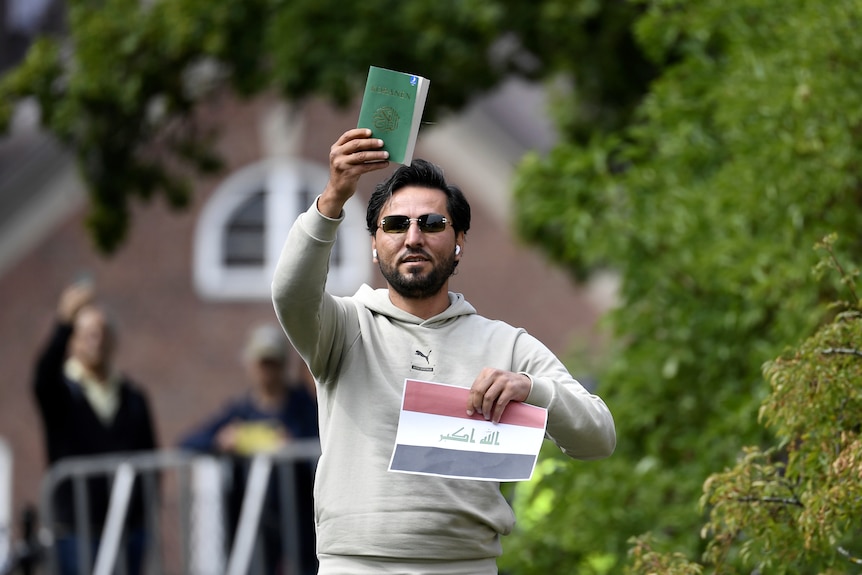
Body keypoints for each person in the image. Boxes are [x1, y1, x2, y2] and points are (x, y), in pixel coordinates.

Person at [270, 128, 617, 574]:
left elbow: (599, 437)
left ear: (459, 243)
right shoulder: (343, 327)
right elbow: (290, 294)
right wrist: (333, 198)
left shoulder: (505, 344)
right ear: (374, 247)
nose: (413, 237)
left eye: (432, 223)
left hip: (467, 564)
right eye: (395, 225)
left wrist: (532, 389)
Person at [32, 282, 158, 575]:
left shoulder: (133, 396)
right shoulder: (61, 392)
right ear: (72, 342)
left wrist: (142, 512)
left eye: (101, 334)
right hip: (77, 531)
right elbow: (41, 378)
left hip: (129, 530)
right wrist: (63, 322)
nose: (95, 341)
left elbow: (150, 457)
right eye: (86, 334)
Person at [179, 323, 319, 575]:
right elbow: (188, 443)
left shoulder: (303, 407)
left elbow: (321, 441)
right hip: (253, 523)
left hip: (301, 523)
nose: (266, 370)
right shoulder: (239, 412)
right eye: (261, 362)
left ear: (283, 365)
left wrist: (292, 443)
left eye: (272, 362)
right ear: (249, 364)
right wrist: (221, 441)